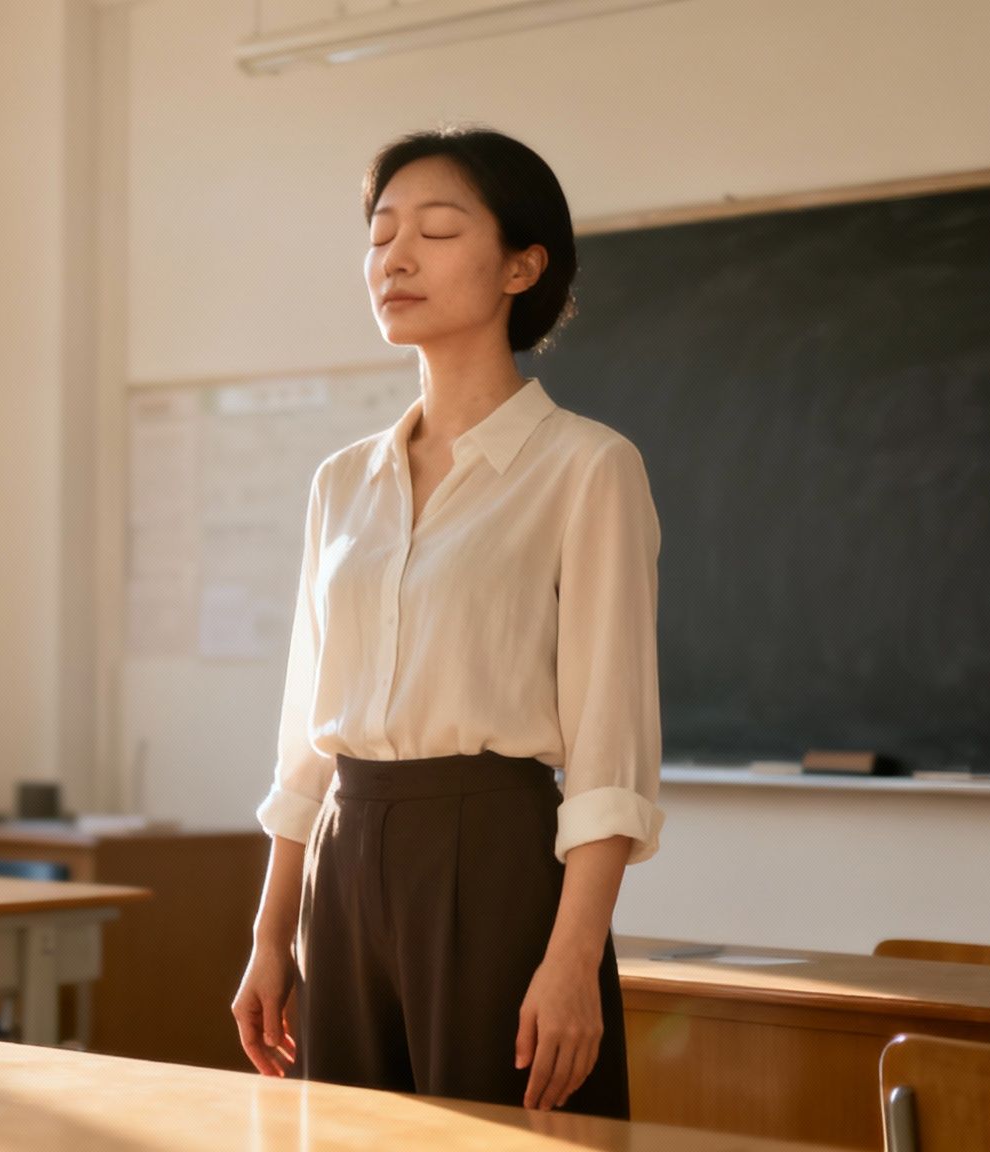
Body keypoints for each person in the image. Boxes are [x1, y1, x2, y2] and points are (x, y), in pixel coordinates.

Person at [229, 126, 665, 1118]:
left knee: (501, 1135)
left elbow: (609, 752)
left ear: (521, 264)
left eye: (433, 229)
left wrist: (572, 960)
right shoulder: (341, 482)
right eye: (379, 234)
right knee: (342, 1136)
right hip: (341, 860)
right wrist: (269, 934)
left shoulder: (586, 468)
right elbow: (305, 738)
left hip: (495, 858)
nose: (394, 256)